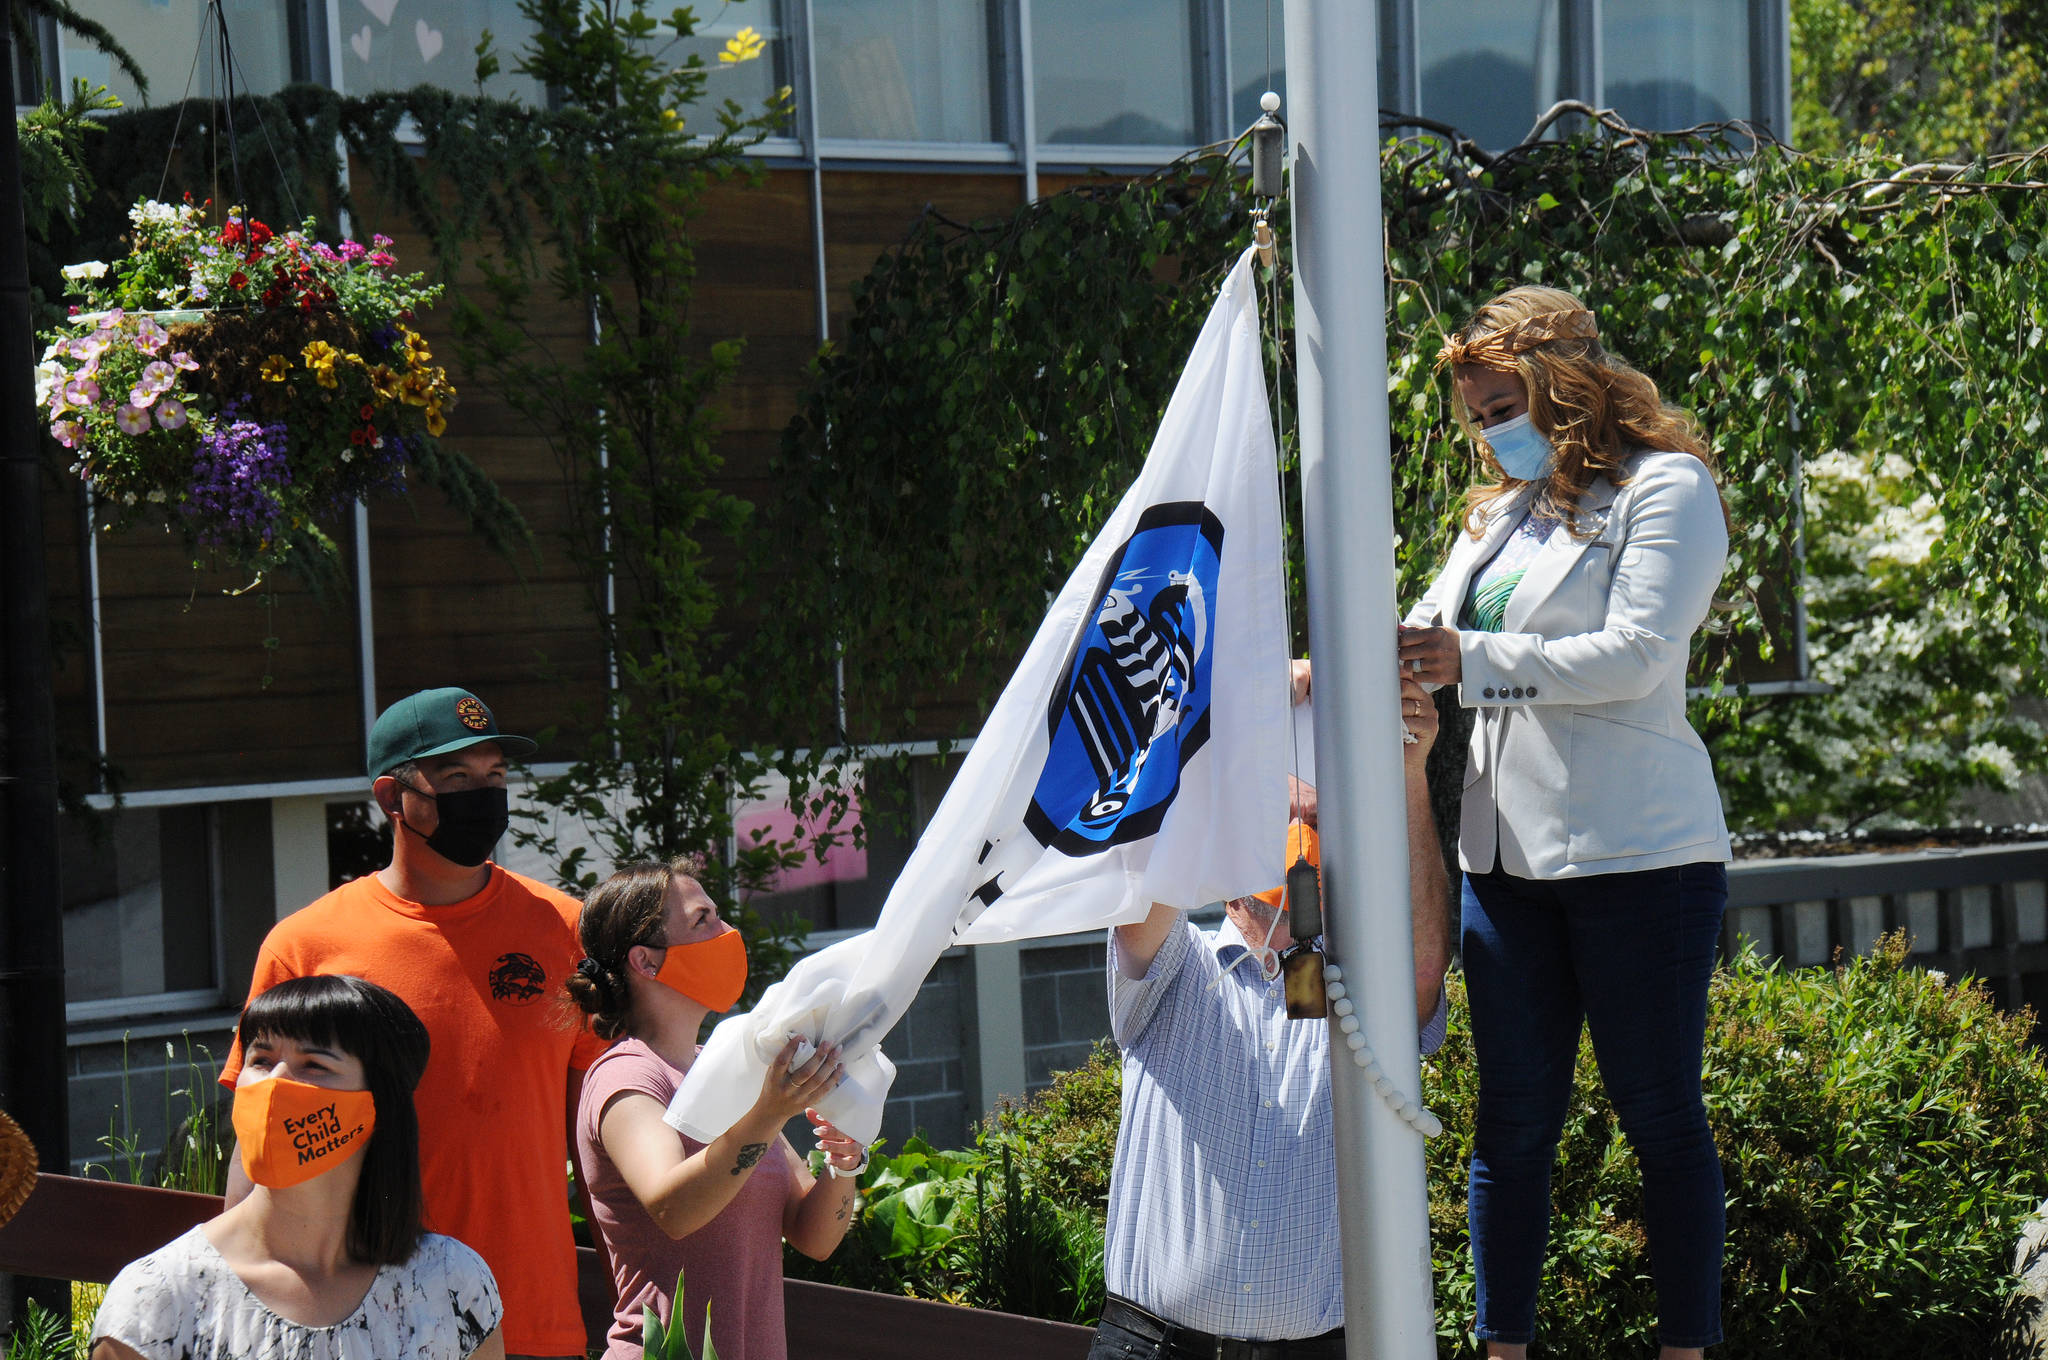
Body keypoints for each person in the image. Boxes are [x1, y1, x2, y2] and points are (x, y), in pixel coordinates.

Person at [1401, 285, 1732, 1359]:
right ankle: (1503, 1349)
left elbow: (1639, 653)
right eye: (1474, 411)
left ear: (1561, 386)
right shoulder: (1497, 514)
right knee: (1507, 1125)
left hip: (1637, 857)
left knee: (1656, 1115)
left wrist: (1473, 663)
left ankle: (1684, 1348)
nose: (1489, 429)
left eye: (1502, 403)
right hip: (1501, 859)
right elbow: (1423, 634)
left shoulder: (1664, 488)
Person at [218, 688, 609, 1360]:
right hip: (357, 1324)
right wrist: (235, 1297)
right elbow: (262, 1140)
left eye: (495, 777)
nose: (483, 796)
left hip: (529, 1321)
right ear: (391, 798)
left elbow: (600, 1135)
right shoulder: (305, 946)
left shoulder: (565, 931)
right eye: (456, 778)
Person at [1087, 675, 1451, 1360]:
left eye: (1315, 822)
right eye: (1273, 819)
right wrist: (1218, 728)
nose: (1295, 840)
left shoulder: (1360, 997)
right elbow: (1147, 885)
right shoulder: (1176, 965)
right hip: (1155, 1347)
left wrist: (1409, 772)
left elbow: (1424, 970)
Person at [93, 975, 505, 1360]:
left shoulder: (451, 1284)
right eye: (260, 1059)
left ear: (377, 1105)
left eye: (314, 1064)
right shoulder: (157, 1300)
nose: (274, 1083)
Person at [568, 858, 863, 1360]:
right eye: (704, 920)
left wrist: (845, 1163)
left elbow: (815, 1238)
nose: (729, 932)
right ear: (647, 961)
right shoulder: (624, 1076)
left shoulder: (730, 1072)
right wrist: (769, 1112)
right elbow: (674, 1208)